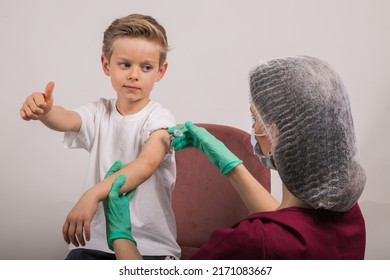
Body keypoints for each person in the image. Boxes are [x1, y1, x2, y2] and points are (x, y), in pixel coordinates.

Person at [103, 55, 366, 260]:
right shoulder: (349, 216)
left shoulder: (252, 241)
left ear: (277, 134)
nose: (253, 128)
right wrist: (227, 162)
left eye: (255, 118)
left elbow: (269, 237)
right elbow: (285, 223)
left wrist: (120, 234)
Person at [19, 14, 180, 260]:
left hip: (150, 248)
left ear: (160, 71)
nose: (134, 75)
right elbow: (68, 119)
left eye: (146, 67)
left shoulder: (161, 120)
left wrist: (93, 194)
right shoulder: (99, 112)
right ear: (107, 65)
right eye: (125, 64)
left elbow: (146, 164)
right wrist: (47, 111)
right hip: (94, 243)